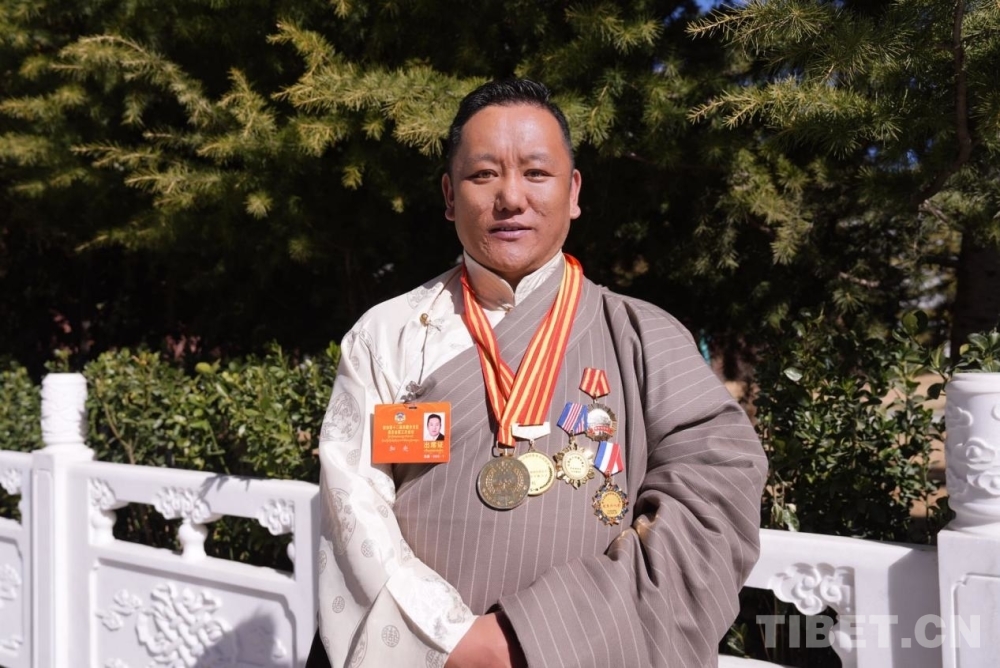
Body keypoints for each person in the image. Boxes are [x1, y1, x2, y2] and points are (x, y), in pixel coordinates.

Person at [309, 79, 767, 668]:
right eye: (483, 175)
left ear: (573, 191)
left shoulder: (646, 337)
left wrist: (531, 639)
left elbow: (714, 501)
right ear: (449, 195)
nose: (510, 197)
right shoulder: (389, 334)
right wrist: (453, 641)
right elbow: (353, 509)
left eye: (536, 173)